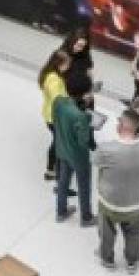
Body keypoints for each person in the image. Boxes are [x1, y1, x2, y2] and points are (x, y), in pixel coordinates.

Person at [93, 108, 139, 273]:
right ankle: (132, 263)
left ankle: (107, 260)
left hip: (110, 204)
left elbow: (95, 162)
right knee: (133, 234)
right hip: (135, 204)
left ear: (120, 126)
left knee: (107, 234)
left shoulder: (107, 149)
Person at [52, 83, 95, 226]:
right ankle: (86, 217)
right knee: (84, 186)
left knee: (63, 181)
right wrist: (87, 120)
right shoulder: (81, 116)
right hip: (78, 156)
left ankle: (61, 211)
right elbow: (83, 141)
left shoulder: (58, 102)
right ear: (82, 94)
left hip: (62, 149)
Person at [38, 49, 71, 180]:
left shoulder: (52, 75)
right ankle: (52, 170)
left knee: (57, 142)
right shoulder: (53, 79)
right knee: (59, 143)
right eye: (66, 64)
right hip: (55, 118)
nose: (68, 67)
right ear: (59, 64)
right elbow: (57, 98)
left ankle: (52, 169)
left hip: (51, 115)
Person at [60, 25, 96, 106]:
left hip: (85, 98)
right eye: (78, 45)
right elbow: (56, 77)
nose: (79, 48)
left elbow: (89, 74)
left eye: (82, 46)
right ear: (72, 41)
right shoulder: (62, 54)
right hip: (67, 99)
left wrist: (90, 92)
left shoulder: (85, 55)